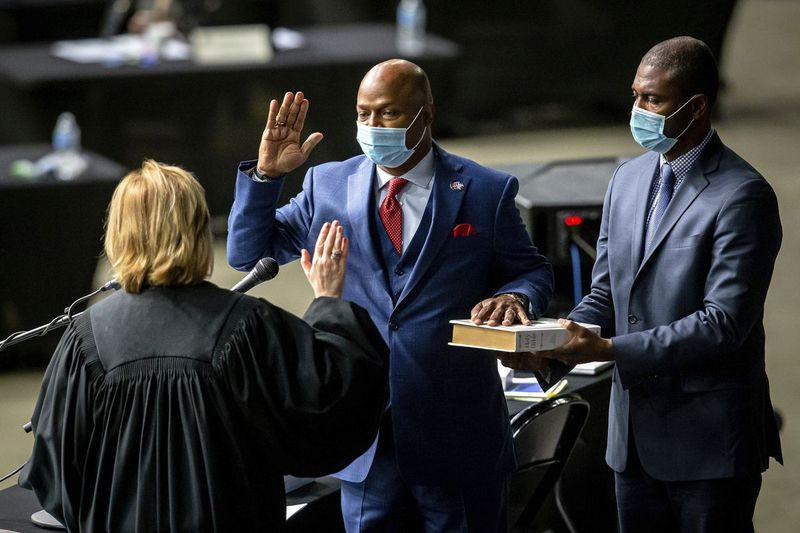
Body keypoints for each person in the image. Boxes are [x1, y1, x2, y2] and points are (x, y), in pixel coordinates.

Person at [227, 59, 554, 531]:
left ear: (426, 113)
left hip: (458, 440)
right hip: (366, 440)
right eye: (363, 114)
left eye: (388, 114)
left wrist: (518, 297)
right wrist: (265, 177)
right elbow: (246, 253)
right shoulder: (328, 185)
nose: (372, 126)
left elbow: (531, 271)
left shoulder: (486, 190)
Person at [501, 37, 783, 532]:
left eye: (653, 100)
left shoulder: (743, 196)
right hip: (631, 443)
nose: (638, 110)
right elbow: (607, 294)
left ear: (696, 107)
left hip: (708, 446)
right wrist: (552, 344)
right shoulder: (626, 179)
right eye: (635, 95)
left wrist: (608, 348)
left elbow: (723, 325)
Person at [19, 160, 389, 531]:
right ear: (197, 231)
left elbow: (55, 474)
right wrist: (328, 303)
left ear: (118, 234)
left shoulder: (85, 340)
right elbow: (327, 416)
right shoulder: (248, 325)